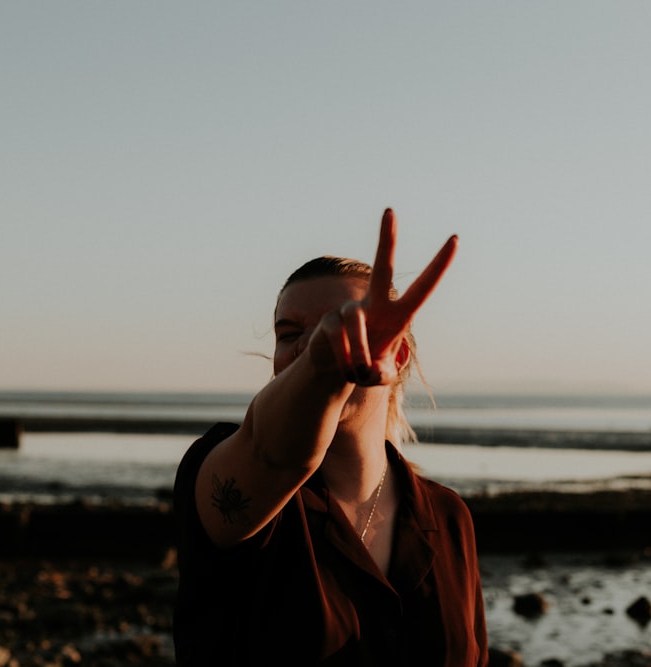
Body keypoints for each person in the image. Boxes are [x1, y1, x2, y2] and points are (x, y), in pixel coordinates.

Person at [173, 209, 488, 666]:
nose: (308, 343)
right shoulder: (232, 472)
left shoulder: (448, 517)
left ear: (397, 354)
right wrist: (324, 360)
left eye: (340, 324)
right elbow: (275, 453)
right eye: (288, 333)